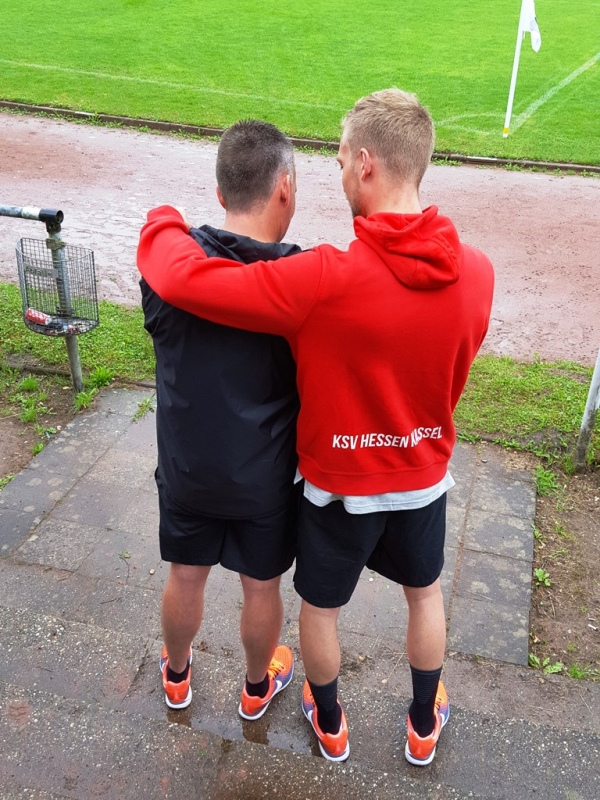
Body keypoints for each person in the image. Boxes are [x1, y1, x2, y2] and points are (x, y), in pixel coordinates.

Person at [138, 88, 494, 765]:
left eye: (338, 162)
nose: (336, 176)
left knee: (320, 612)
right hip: (422, 478)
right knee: (425, 596)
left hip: (337, 486)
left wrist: (160, 224)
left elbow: (194, 284)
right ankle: (423, 724)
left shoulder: (325, 277)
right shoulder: (478, 275)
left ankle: (330, 723)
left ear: (366, 164)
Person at [140, 120, 302, 720]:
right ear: (284, 188)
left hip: (189, 468)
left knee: (186, 575)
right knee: (261, 585)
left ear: (220, 192)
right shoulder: (301, 282)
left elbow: (163, 241)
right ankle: (256, 688)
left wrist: (166, 222)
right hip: (264, 476)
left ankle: (177, 675)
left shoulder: (168, 272)